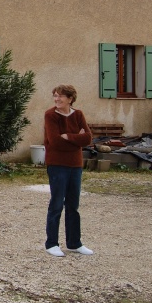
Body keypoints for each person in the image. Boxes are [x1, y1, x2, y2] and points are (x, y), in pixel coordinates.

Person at [43, 84, 94, 257]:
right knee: (56, 204)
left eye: (61, 96)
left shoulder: (78, 114)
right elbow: (55, 142)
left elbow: (87, 138)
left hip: (75, 165)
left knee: (73, 205)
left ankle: (74, 243)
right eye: (55, 96)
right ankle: (51, 244)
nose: (57, 99)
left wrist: (68, 136)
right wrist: (76, 138)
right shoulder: (50, 115)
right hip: (57, 164)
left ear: (70, 99)